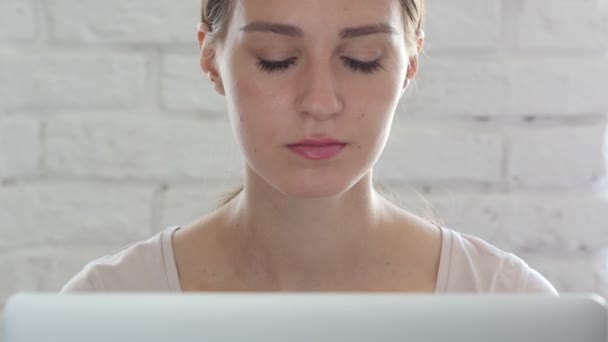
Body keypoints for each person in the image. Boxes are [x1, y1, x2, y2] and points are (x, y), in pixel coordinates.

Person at [61, 0, 557, 294]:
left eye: (362, 59)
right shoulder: (105, 306)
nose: (319, 102)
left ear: (408, 64)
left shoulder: (509, 304)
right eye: (276, 59)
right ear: (211, 59)